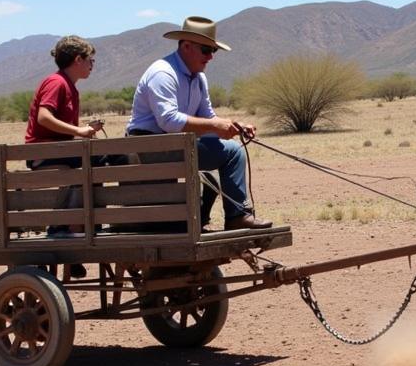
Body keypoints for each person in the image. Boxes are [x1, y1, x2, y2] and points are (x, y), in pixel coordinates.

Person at [126, 16, 272, 231]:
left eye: (214, 51)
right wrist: (215, 127)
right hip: (149, 146)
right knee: (232, 153)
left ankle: (234, 216)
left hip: (177, 144)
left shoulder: (199, 78)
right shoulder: (163, 73)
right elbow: (168, 121)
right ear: (186, 46)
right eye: (206, 50)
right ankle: (236, 217)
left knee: (233, 151)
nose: (210, 57)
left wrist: (232, 125)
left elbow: (207, 116)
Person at [24, 35, 108, 254]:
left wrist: (84, 130)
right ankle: (70, 225)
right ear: (78, 59)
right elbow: (43, 117)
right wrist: (79, 131)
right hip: (43, 150)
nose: (92, 65)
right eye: (91, 60)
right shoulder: (56, 82)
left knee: (99, 159)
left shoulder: (70, 86)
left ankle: (80, 224)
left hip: (59, 150)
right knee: (101, 158)